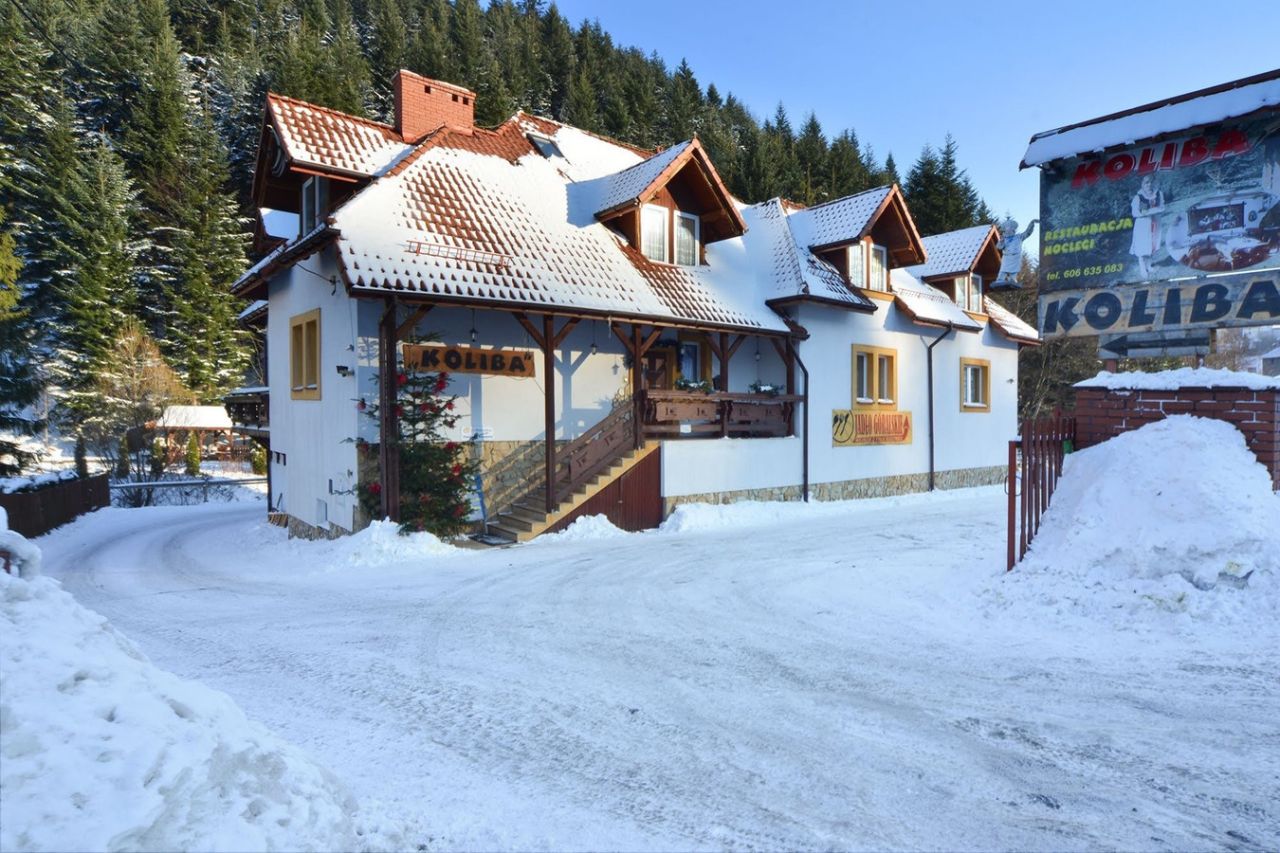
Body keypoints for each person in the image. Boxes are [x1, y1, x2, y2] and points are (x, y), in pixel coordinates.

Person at [1130, 175, 1165, 279]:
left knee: (1151, 245)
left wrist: (1157, 210)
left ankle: (1149, 266)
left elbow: (1162, 207)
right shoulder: (1138, 197)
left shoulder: (1158, 194)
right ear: (1142, 184)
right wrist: (1150, 212)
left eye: (1151, 183)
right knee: (1142, 247)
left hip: (1155, 222)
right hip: (1143, 224)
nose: (1149, 185)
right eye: (1146, 183)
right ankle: (1142, 269)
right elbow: (1135, 213)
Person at [993, 217, 1037, 288]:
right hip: (1007, 257)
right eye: (1007, 228)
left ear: (1013, 229)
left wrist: (1032, 224)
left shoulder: (1019, 237)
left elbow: (1028, 232)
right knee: (1003, 270)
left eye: (1011, 228)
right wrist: (1001, 242)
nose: (1009, 229)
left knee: (1014, 271)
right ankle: (1000, 280)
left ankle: (1012, 280)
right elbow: (999, 247)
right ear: (1005, 230)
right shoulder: (1004, 239)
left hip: (1016, 257)